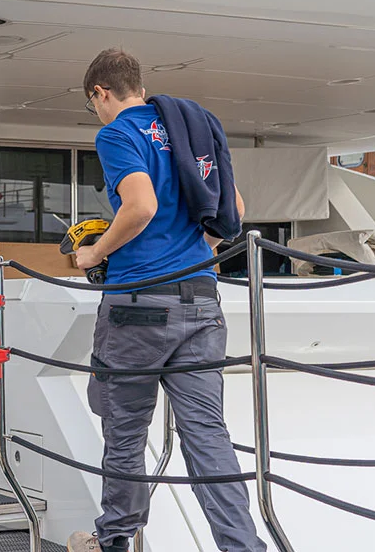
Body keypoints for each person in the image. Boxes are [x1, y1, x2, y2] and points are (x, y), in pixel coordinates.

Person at [67, 49, 263, 552]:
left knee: (125, 430)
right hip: (201, 301)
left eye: (94, 105)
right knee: (207, 437)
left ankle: (111, 542)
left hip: (138, 307)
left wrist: (94, 253)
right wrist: (197, 253)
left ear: (100, 93)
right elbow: (233, 210)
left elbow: (141, 206)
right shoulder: (189, 126)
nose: (98, 114)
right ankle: (243, 547)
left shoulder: (117, 133)